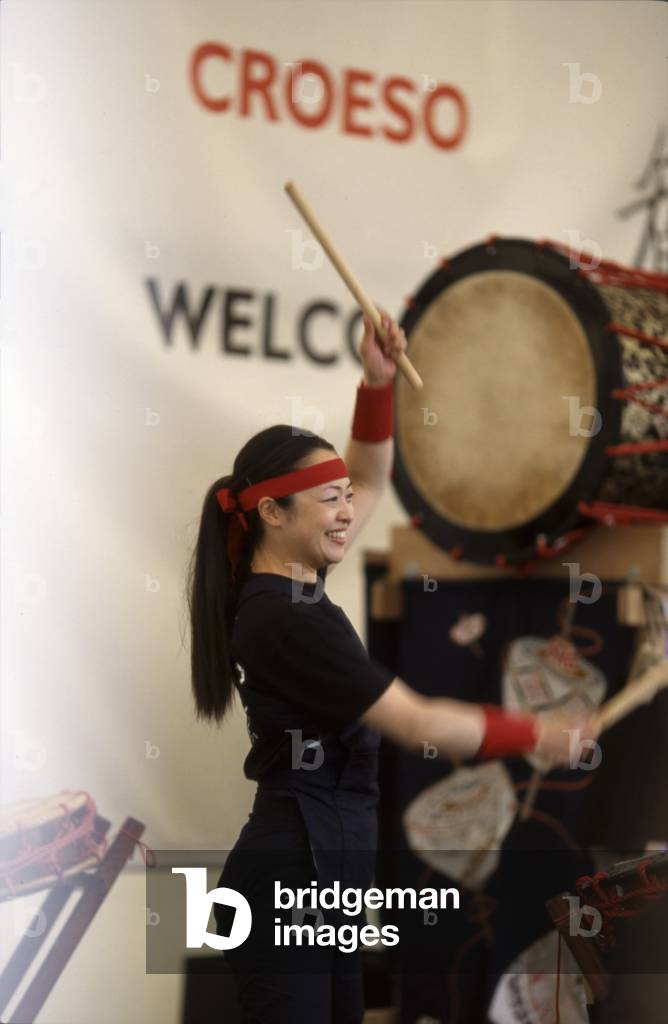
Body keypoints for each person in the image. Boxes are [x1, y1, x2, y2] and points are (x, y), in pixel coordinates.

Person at [186, 311, 600, 1023]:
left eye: (344, 497)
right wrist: (534, 732)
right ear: (271, 514)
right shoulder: (287, 618)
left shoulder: (287, 583)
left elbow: (370, 476)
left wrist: (377, 384)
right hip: (288, 882)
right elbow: (417, 723)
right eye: (328, 501)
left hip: (324, 883)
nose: (349, 512)